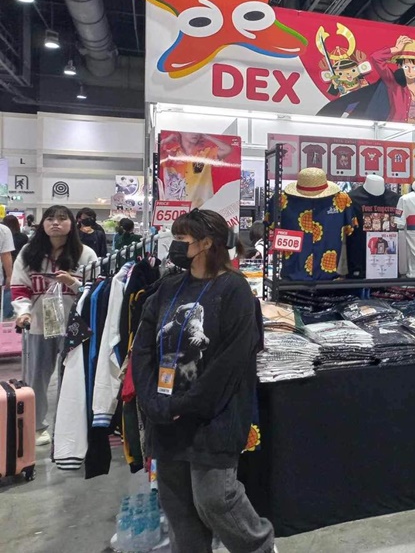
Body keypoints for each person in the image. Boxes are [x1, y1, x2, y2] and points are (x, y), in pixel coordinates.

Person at [131, 209, 275, 553]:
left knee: (215, 498)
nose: (175, 245)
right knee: (177, 506)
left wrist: (188, 404)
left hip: (214, 416)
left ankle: (259, 546)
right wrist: (151, 401)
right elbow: (143, 348)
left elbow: (231, 362)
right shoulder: (167, 288)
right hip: (165, 416)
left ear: (206, 243)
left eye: (182, 239)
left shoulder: (234, 290)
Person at [11, 205, 98, 446]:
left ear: (72, 223)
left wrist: (73, 283)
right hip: (38, 324)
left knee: (72, 378)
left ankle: (70, 425)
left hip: (74, 327)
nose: (55, 223)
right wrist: (23, 313)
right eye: (50, 219)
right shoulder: (29, 252)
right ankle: (36, 425)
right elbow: (19, 287)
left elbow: (96, 291)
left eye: (62, 218)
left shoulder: (86, 254)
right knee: (36, 377)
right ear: (43, 224)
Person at [0, 217, 16, 320]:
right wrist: (9, 276)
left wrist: (9, 276)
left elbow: (6, 254)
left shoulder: (3, 230)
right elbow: (6, 254)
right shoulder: (3, 230)